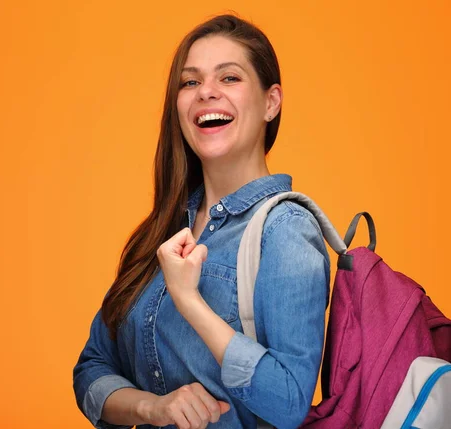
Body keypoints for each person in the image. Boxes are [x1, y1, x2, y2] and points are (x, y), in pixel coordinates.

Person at [73, 14, 330, 429]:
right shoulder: (162, 232)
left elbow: (290, 402)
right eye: (190, 82)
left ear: (271, 102)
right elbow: (92, 368)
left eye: (229, 78)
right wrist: (152, 408)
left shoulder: (285, 231)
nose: (205, 92)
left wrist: (189, 301)